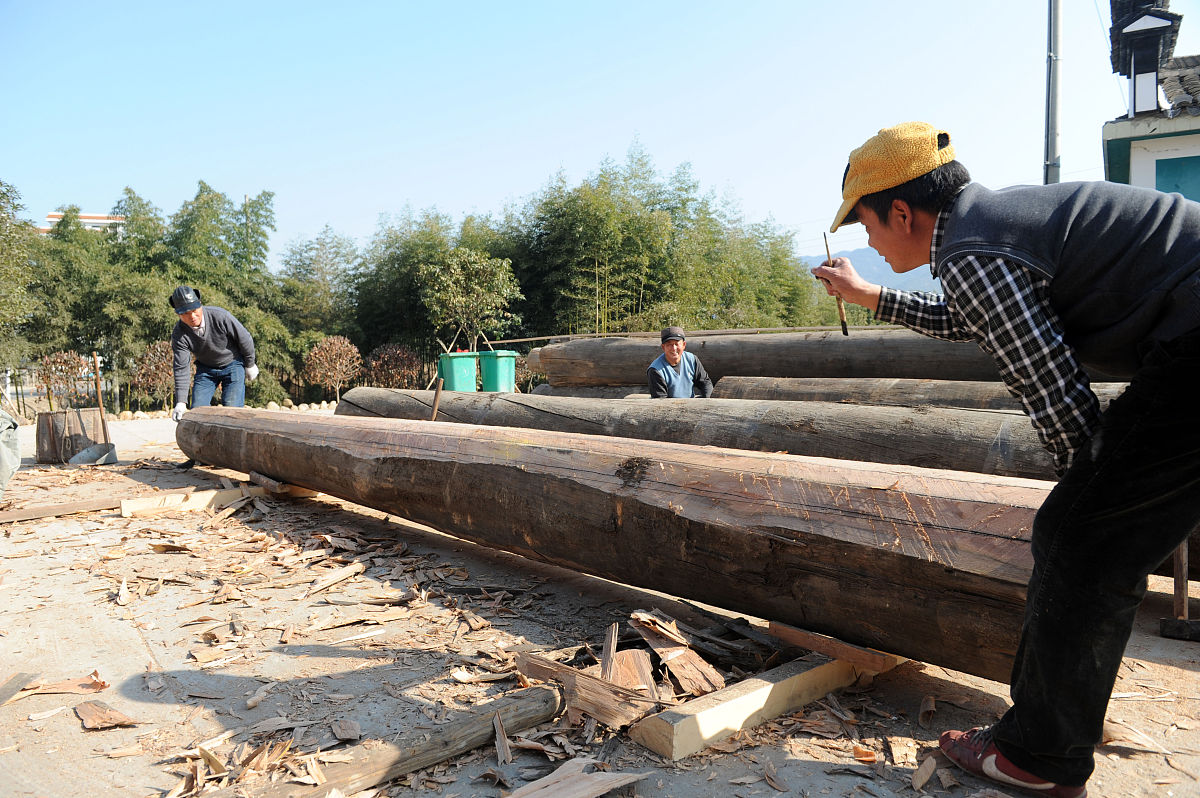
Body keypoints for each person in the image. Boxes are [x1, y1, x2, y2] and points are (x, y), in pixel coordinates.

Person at [812, 121, 1200, 798]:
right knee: (1093, 533)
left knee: (1078, 537)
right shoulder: (992, 231)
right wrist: (869, 295)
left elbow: (1059, 402)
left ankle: (1038, 757)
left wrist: (1087, 503)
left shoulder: (974, 252)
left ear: (902, 212)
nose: (864, 241)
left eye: (866, 225)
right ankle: (1049, 735)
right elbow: (966, 319)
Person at [169, 285, 259, 421]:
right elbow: (181, 367)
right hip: (206, 370)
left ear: (200, 305)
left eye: (194, 310)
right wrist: (181, 402)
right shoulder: (179, 334)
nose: (192, 316)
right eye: (186, 314)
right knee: (197, 414)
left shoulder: (220, 316)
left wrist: (250, 363)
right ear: (178, 314)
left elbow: (244, 338)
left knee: (232, 412)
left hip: (232, 364)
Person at [647, 326, 713, 398]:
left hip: (691, 405)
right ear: (663, 347)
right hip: (669, 407)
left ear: (684, 345)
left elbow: (705, 382)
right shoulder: (655, 370)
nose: (674, 348)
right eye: (669, 344)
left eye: (676, 343)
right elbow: (660, 401)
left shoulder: (692, 359)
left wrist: (706, 400)